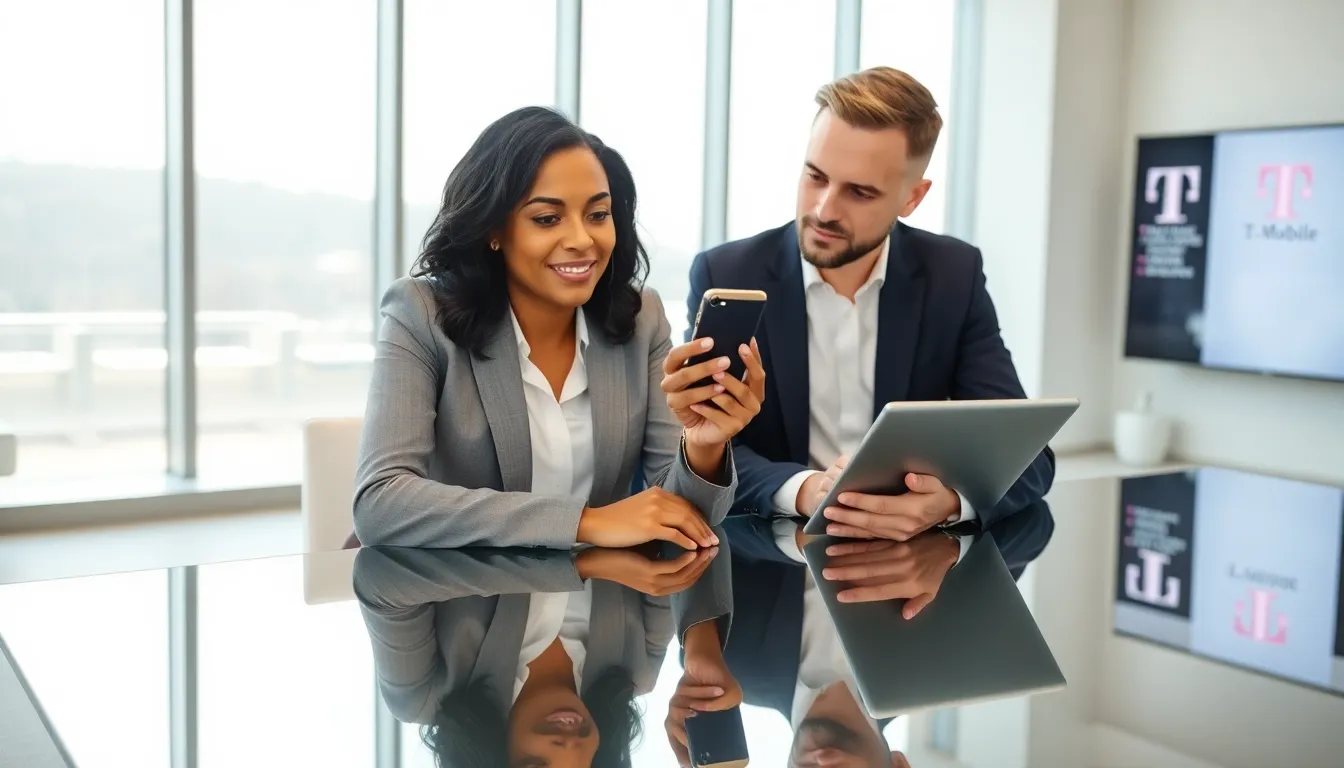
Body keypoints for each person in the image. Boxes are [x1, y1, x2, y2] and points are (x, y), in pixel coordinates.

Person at [354, 106, 766, 550]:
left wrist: (703, 446)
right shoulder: (420, 313)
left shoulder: (640, 319)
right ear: (494, 229)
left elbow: (681, 519)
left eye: (598, 214)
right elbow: (381, 502)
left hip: (604, 604)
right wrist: (583, 523)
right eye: (547, 218)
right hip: (463, 603)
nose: (582, 240)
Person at [685, 67, 1054, 539]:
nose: (824, 210)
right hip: (773, 562)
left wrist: (950, 501)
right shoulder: (727, 274)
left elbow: (1028, 456)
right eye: (815, 177)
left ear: (913, 198)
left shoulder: (952, 276)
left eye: (859, 192)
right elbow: (707, 444)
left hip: (908, 581)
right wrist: (803, 489)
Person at [664, 503, 1054, 767]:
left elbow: (698, 523)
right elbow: (1035, 521)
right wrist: (953, 549)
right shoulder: (951, 659)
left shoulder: (723, 663)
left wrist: (699, 644)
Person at [353, 534, 733, 767]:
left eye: (537, 766)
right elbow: (685, 532)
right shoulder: (634, 668)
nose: (568, 748)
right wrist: (702, 647)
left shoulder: (423, 693)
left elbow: (379, 583)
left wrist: (581, 561)